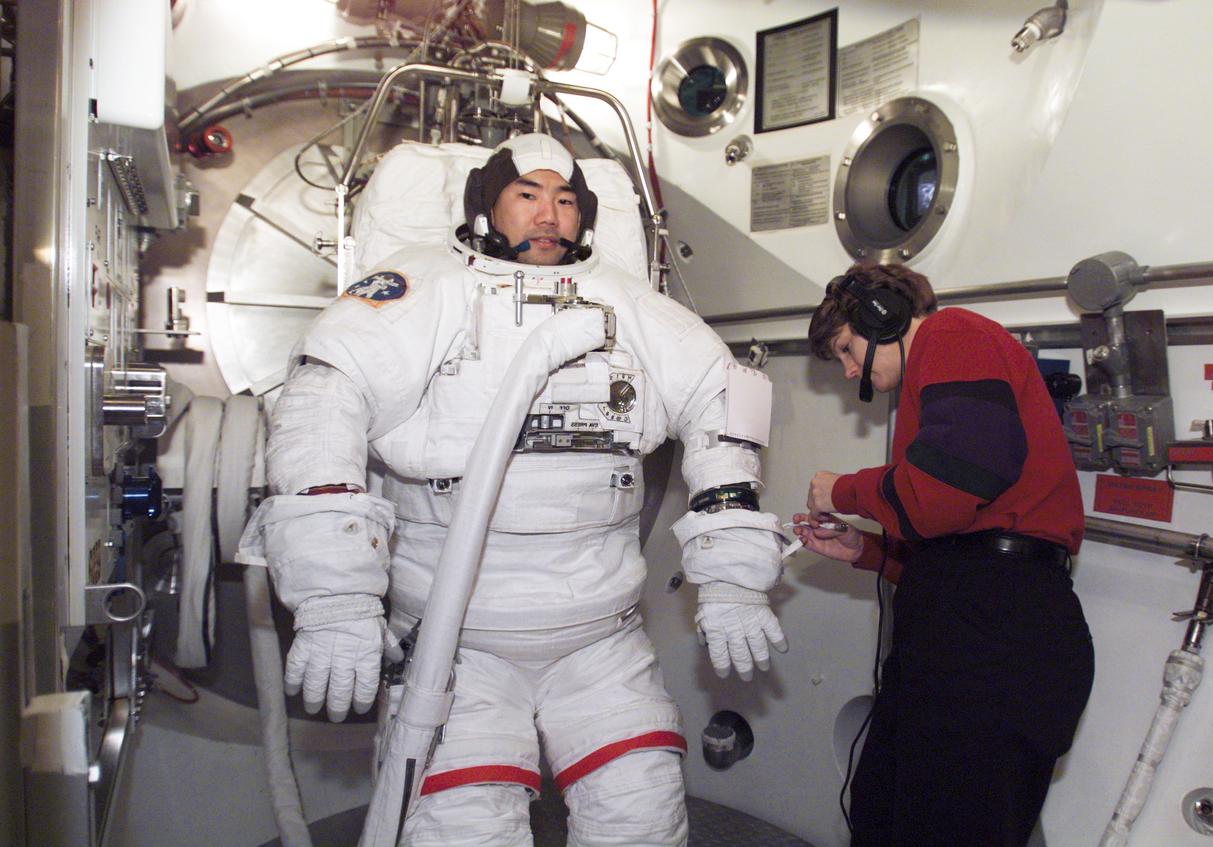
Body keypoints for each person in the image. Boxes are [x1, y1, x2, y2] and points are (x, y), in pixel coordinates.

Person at [241, 134, 789, 847]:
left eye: (564, 200)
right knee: (464, 826)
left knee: (642, 814)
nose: (547, 215)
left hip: (600, 638)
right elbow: (322, 401)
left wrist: (735, 573)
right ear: (486, 207)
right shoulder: (423, 285)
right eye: (527, 195)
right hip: (457, 645)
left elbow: (724, 400)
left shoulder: (626, 301)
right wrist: (336, 596)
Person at [792, 263, 1094, 847]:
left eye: (848, 350)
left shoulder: (954, 335)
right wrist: (865, 550)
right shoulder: (935, 373)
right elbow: (953, 547)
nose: (854, 371)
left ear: (882, 315)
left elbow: (947, 494)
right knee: (886, 814)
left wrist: (844, 490)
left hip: (997, 634)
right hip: (966, 622)